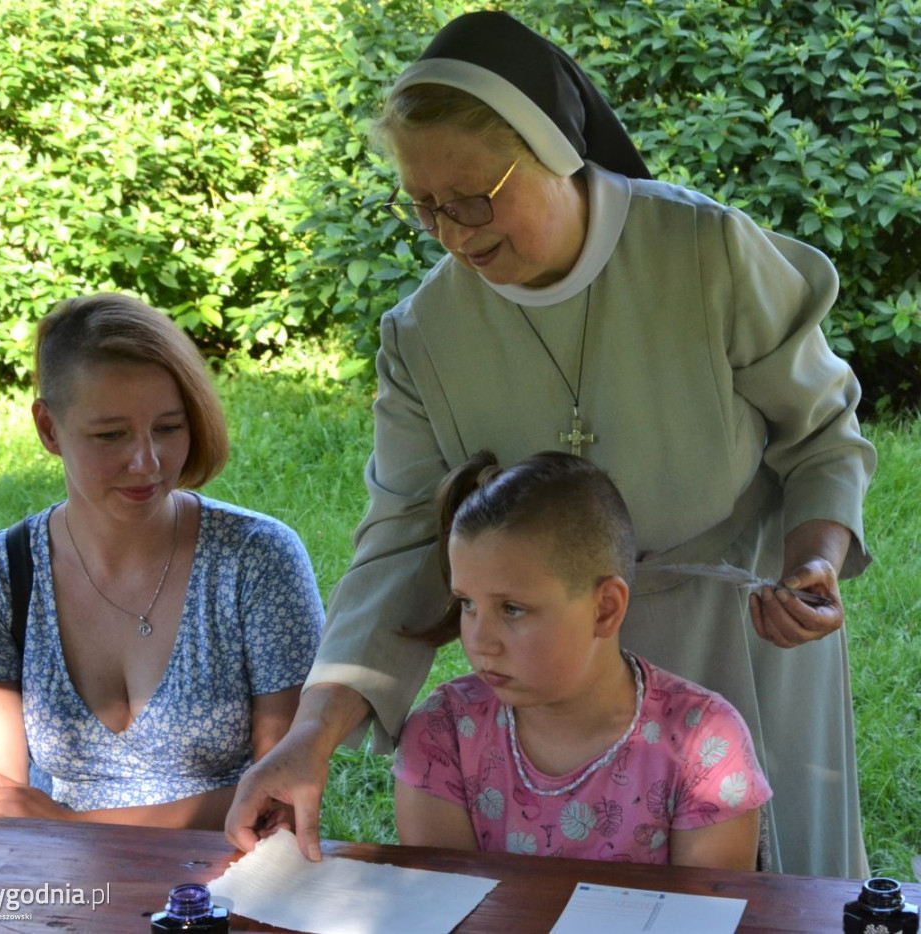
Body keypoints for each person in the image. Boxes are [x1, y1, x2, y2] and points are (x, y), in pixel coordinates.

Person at [226, 11, 875, 877]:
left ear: (553, 150)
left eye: (473, 198)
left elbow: (823, 434)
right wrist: (312, 735)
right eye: (424, 207)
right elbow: (402, 543)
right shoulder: (424, 334)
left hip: (741, 643)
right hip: (551, 684)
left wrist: (815, 563)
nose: (454, 233)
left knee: (763, 894)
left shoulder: (704, 251)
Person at [0, 293, 324, 829]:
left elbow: (282, 802)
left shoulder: (257, 558)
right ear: (48, 429)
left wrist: (72, 825)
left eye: (169, 428)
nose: (147, 461)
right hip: (60, 891)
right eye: (110, 435)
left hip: (230, 885)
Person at [393, 451, 772, 868]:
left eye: (512, 609)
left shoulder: (705, 749)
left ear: (605, 609)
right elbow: (442, 908)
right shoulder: (443, 735)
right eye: (467, 604)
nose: (481, 641)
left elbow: (707, 918)